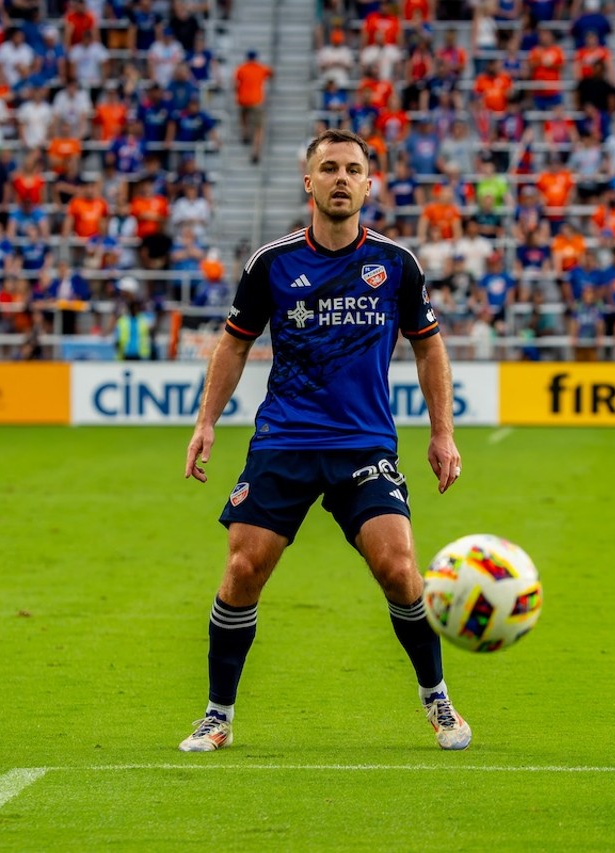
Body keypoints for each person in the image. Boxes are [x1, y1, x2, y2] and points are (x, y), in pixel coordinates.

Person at [178, 128, 469, 753]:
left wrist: (441, 433)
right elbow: (234, 343)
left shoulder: (396, 264)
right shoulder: (273, 263)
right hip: (283, 442)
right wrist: (206, 421)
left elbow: (429, 345)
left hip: (364, 445)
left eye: (353, 169)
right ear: (308, 182)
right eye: (329, 168)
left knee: (398, 568)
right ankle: (217, 714)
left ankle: (436, 699)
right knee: (241, 570)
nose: (342, 178)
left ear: (369, 184)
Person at [233, 50, 274, 164]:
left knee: (244, 116)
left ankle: (245, 133)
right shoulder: (260, 68)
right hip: (256, 101)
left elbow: (235, 84)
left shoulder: (241, 68)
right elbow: (271, 72)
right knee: (259, 128)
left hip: (243, 100)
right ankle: (255, 151)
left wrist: (238, 94)